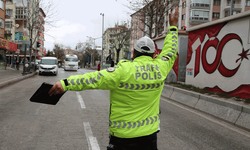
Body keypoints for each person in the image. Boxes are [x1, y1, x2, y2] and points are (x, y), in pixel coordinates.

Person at [49, 7, 179, 150]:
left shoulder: (122, 71)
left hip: (123, 139)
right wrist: (173, 28)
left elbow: (92, 79)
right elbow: (171, 50)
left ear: (134, 53)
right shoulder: (161, 68)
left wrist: (66, 83)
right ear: (154, 55)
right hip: (149, 137)